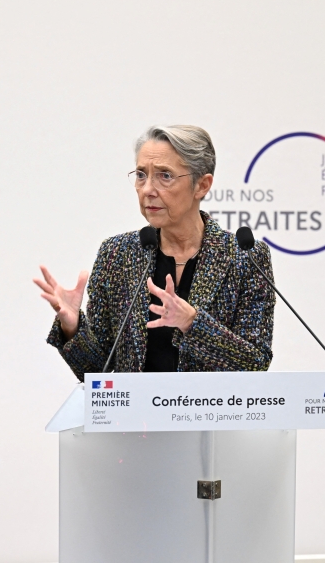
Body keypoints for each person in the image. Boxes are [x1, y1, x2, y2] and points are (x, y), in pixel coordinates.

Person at [35, 125, 275, 378]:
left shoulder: (245, 257)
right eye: (141, 175)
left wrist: (192, 324)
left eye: (165, 176)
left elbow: (255, 363)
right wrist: (73, 327)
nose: (148, 189)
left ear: (201, 186)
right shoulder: (118, 255)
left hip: (212, 416)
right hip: (136, 417)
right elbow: (96, 370)